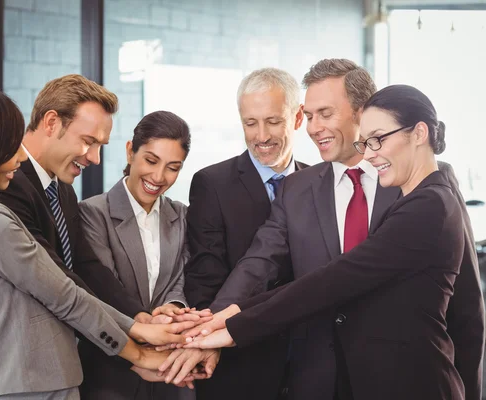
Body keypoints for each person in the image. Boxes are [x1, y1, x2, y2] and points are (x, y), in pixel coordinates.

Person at [186, 59, 483, 400]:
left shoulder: (418, 189)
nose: (313, 128)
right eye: (309, 116)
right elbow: (258, 264)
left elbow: (466, 308)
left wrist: (471, 390)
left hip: (400, 378)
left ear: (361, 112)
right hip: (317, 379)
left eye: (324, 114)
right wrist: (213, 323)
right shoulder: (297, 188)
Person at [0, 84, 195, 399]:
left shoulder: (58, 190)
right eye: (88, 141)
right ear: (52, 123)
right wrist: (138, 347)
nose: (94, 158)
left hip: (27, 372)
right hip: (19, 374)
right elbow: (60, 292)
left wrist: (138, 319)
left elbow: (84, 267)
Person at [183, 67, 308, 399]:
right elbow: (204, 276)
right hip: (239, 362)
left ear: (297, 118)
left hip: (308, 364)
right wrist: (210, 340)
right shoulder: (213, 184)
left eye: (273, 121)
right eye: (250, 123)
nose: (261, 136)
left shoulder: (319, 183)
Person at [78, 110, 217, 399]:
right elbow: (103, 290)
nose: (158, 177)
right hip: (112, 372)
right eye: (151, 161)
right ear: (131, 152)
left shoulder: (181, 215)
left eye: (172, 167)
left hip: (170, 371)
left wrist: (172, 307)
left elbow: (182, 275)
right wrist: (147, 324)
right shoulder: (93, 213)